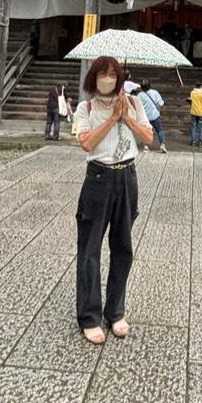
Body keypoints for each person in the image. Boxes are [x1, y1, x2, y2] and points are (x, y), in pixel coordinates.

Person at [75, 56, 153, 344]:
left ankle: (115, 310)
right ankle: (89, 315)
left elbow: (148, 137)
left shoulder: (134, 103)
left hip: (127, 177)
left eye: (112, 74)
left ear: (120, 77)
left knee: (123, 247)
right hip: (98, 177)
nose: (107, 79)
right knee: (90, 248)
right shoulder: (85, 107)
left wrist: (127, 117)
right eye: (102, 74)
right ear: (93, 77)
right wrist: (111, 119)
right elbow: (86, 142)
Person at [137, 79, 168, 153]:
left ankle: (146, 146)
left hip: (145, 117)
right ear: (149, 85)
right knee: (159, 130)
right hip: (155, 116)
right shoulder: (155, 92)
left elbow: (137, 105)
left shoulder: (140, 95)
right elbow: (160, 103)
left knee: (146, 131)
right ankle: (162, 145)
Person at [189, 82, 202, 147]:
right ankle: (200, 142)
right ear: (201, 87)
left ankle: (192, 142)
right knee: (201, 128)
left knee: (193, 127)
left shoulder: (192, 92)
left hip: (194, 112)